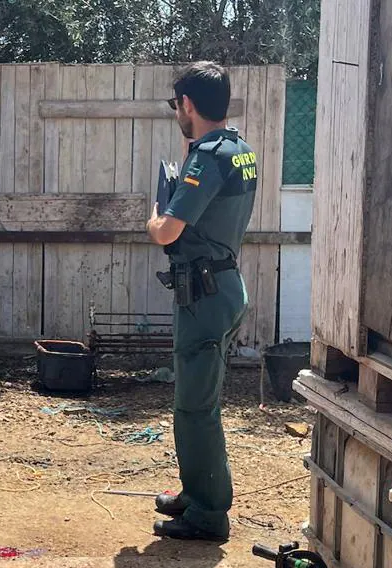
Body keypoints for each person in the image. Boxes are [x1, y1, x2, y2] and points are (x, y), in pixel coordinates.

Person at [146, 61, 258, 543]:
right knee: (192, 401)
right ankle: (196, 493)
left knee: (197, 407)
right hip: (219, 286)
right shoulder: (238, 150)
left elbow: (168, 230)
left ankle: (209, 513)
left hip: (205, 295)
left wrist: (154, 215)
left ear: (188, 105)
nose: (176, 112)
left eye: (177, 105)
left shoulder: (209, 157)